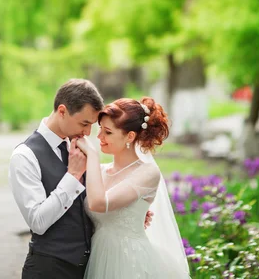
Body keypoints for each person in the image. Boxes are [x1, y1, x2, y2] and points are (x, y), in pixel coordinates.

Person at [76, 97, 190, 279]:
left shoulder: (147, 173)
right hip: (99, 257)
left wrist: (92, 154)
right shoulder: (99, 172)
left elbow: (98, 203)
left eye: (107, 132)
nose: (99, 138)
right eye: (100, 130)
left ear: (130, 136)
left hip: (129, 261)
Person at [9, 78, 103, 279]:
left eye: (91, 125)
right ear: (62, 111)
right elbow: (38, 222)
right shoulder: (25, 156)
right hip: (49, 270)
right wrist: (73, 175)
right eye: (84, 123)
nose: (87, 133)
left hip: (88, 268)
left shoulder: (79, 146)